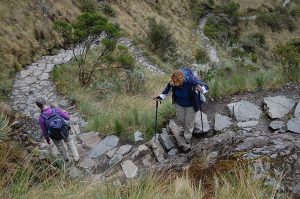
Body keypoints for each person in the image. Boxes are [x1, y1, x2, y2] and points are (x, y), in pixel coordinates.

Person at [154, 68, 208, 143]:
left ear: (181, 79)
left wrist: (201, 89)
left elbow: (205, 86)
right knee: (180, 119)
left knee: (189, 121)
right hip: (179, 104)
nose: (175, 84)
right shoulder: (173, 82)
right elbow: (167, 89)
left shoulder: (191, 81)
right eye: (173, 82)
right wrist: (160, 97)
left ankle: (188, 136)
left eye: (176, 82)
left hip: (191, 104)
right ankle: (183, 129)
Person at [36, 98, 79, 162]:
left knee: (60, 146)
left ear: (39, 107)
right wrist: (66, 113)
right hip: (64, 130)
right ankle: (76, 158)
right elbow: (67, 118)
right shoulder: (55, 109)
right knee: (69, 142)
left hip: (54, 135)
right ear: (45, 102)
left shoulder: (41, 118)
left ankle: (66, 159)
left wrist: (48, 140)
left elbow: (44, 132)